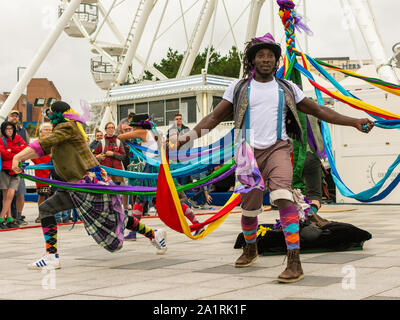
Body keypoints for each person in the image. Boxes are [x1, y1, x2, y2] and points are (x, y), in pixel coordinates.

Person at [170, 33, 374, 283]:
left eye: (270, 56)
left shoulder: (288, 88)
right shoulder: (238, 88)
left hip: (278, 148)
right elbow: (213, 118)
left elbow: (319, 110)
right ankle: (251, 247)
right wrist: (186, 138)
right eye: (260, 55)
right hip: (247, 152)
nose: (266, 59)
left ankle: (294, 260)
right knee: (249, 210)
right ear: (252, 60)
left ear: (277, 61)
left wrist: (353, 122)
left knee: (283, 198)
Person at [12, 101, 167, 270]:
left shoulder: (67, 127)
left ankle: (154, 234)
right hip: (74, 184)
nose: (48, 117)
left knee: (113, 216)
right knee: (51, 210)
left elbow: (43, 144)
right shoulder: (65, 130)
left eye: (50, 113)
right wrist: (22, 158)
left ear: (56, 114)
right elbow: (42, 149)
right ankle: (51, 256)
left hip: (88, 182)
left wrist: (17, 157)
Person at [118, 114, 204, 238]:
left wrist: (126, 134)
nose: (132, 129)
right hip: (160, 167)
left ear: (138, 126)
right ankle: (133, 231)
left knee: (144, 198)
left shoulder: (142, 132)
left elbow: (121, 136)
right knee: (149, 199)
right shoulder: (155, 133)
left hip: (152, 169)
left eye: (133, 127)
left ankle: (197, 224)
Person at [0, 121, 27, 229]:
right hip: (5, 169)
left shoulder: (18, 138)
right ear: (3, 130)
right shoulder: (1, 140)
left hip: (16, 169)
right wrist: (16, 154)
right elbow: (3, 154)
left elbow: (25, 149)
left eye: (11, 128)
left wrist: (11, 150)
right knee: (6, 195)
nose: (9, 131)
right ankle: (10, 217)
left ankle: (1, 217)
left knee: (10, 194)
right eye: (7, 129)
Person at [8, 110, 29, 224]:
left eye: (16, 116)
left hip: (20, 166)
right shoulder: (3, 131)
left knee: (20, 192)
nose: (14, 117)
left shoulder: (22, 131)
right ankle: (9, 216)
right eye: (12, 116)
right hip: (7, 167)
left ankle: (18, 216)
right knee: (8, 193)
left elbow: (27, 147)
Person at [31, 122, 53, 224]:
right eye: (46, 130)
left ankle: (49, 213)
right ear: (41, 131)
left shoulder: (52, 142)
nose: (48, 131)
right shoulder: (37, 143)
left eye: (50, 130)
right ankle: (40, 214)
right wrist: (42, 166)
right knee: (42, 194)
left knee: (51, 194)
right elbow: (33, 156)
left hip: (52, 170)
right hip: (41, 171)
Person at [167, 114, 192, 187]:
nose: (179, 120)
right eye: (177, 119)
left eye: (180, 119)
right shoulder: (170, 130)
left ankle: (184, 193)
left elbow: (190, 141)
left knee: (184, 175)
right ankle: (177, 194)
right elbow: (169, 142)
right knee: (175, 176)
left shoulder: (186, 129)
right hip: (174, 156)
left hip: (184, 155)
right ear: (174, 120)